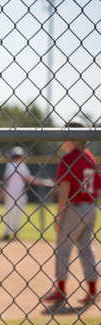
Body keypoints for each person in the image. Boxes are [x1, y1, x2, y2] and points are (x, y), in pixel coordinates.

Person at [41, 118, 100, 310]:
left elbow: (65, 190)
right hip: (91, 207)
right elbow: (98, 188)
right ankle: (92, 290)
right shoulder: (90, 157)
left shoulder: (68, 159)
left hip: (74, 207)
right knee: (86, 248)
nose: (63, 140)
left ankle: (61, 290)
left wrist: (59, 217)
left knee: (62, 247)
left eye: (66, 136)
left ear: (74, 138)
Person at [0, 147, 47, 241]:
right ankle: (8, 234)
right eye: (16, 156)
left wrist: (38, 181)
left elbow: (27, 178)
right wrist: (1, 191)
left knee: (16, 213)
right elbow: (8, 179)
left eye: (18, 156)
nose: (17, 157)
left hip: (20, 192)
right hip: (11, 192)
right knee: (10, 212)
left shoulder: (20, 165)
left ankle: (13, 233)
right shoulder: (11, 165)